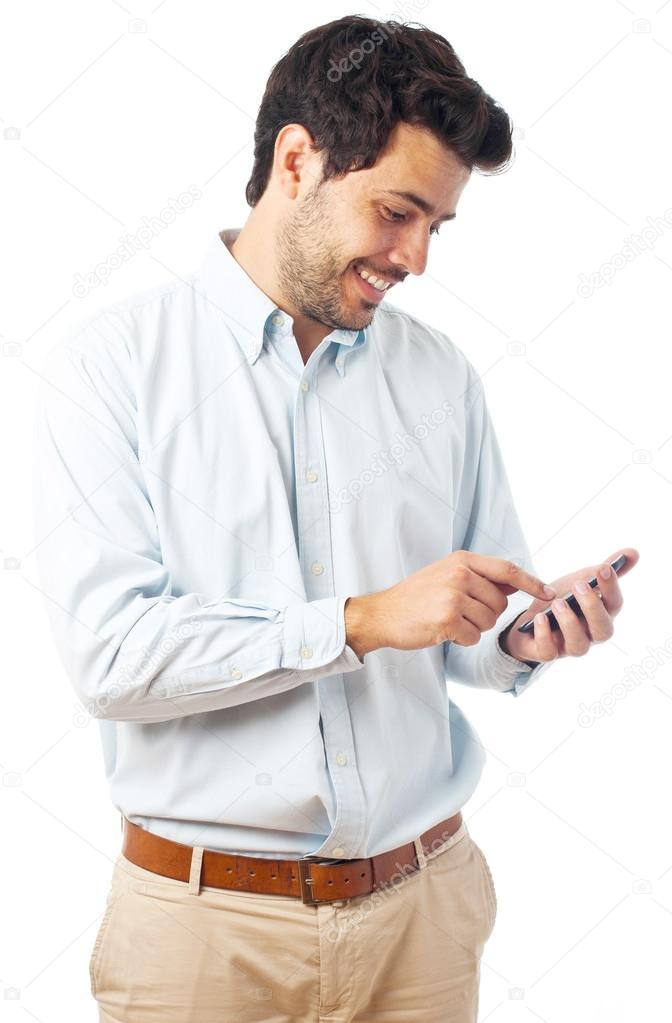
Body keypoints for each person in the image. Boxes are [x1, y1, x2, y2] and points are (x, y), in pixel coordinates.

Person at [32, 14, 637, 1022]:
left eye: (436, 227)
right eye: (398, 212)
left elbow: (466, 629)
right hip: (203, 941)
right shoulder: (112, 367)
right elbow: (112, 658)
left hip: (424, 918)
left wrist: (525, 633)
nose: (416, 259)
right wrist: (358, 621)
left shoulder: (439, 376)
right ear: (297, 160)